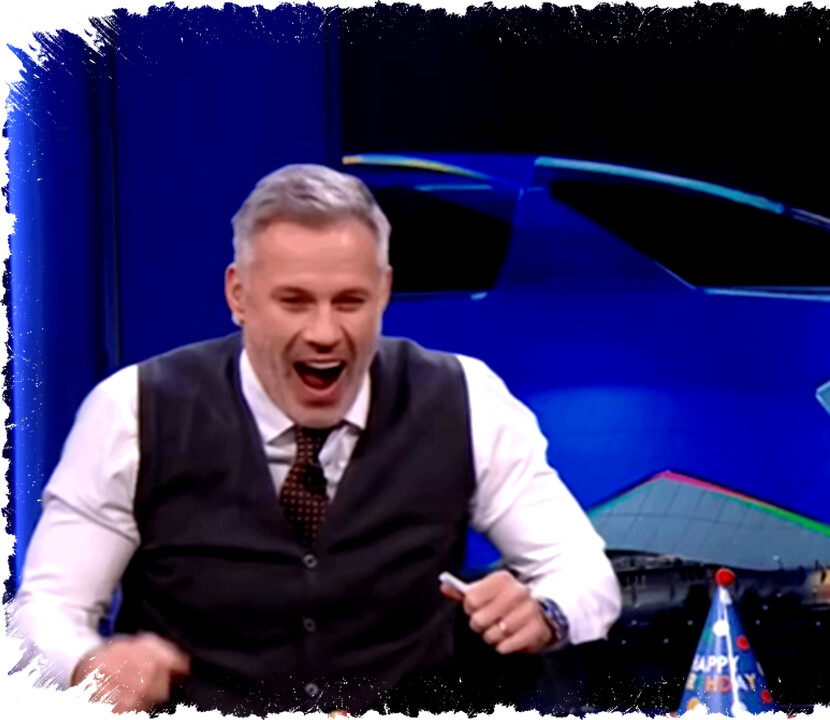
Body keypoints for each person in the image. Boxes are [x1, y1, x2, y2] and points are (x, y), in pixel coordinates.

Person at [10, 164, 622, 714]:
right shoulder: (133, 411)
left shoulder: (466, 398)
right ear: (238, 296)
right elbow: (45, 612)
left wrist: (545, 613)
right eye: (295, 302)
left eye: (350, 301)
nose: (325, 333)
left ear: (384, 292)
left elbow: (581, 573)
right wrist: (88, 665)